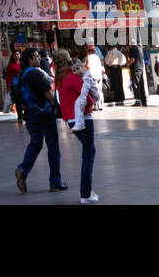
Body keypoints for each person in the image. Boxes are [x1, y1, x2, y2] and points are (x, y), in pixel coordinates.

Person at [13, 48, 68, 194]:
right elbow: (49, 95)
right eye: (36, 56)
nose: (39, 59)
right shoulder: (36, 74)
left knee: (36, 144)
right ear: (30, 59)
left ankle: (23, 170)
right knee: (53, 147)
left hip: (31, 115)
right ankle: (55, 182)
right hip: (45, 115)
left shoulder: (22, 74)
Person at [54, 50, 99, 204]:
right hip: (84, 118)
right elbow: (89, 100)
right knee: (88, 153)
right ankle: (86, 193)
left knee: (88, 152)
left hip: (70, 120)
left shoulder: (59, 80)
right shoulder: (72, 78)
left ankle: (86, 191)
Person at [85, 44, 105, 112]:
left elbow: (86, 66)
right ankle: (100, 105)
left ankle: (95, 106)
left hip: (92, 76)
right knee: (99, 90)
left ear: (89, 51)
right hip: (99, 75)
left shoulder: (88, 57)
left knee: (94, 91)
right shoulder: (97, 57)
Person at [127, 40, 148, 106]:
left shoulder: (133, 49)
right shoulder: (140, 49)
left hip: (135, 69)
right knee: (141, 85)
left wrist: (127, 64)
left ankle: (138, 101)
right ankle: (143, 101)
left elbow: (132, 60)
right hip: (140, 69)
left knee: (136, 85)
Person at [5, 54, 23, 118]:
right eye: (15, 55)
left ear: (20, 55)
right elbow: (7, 76)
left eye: (18, 54)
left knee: (24, 100)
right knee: (17, 101)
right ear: (13, 56)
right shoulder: (10, 65)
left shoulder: (22, 64)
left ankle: (25, 115)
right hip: (15, 85)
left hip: (23, 84)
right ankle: (20, 116)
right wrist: (8, 86)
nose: (16, 56)